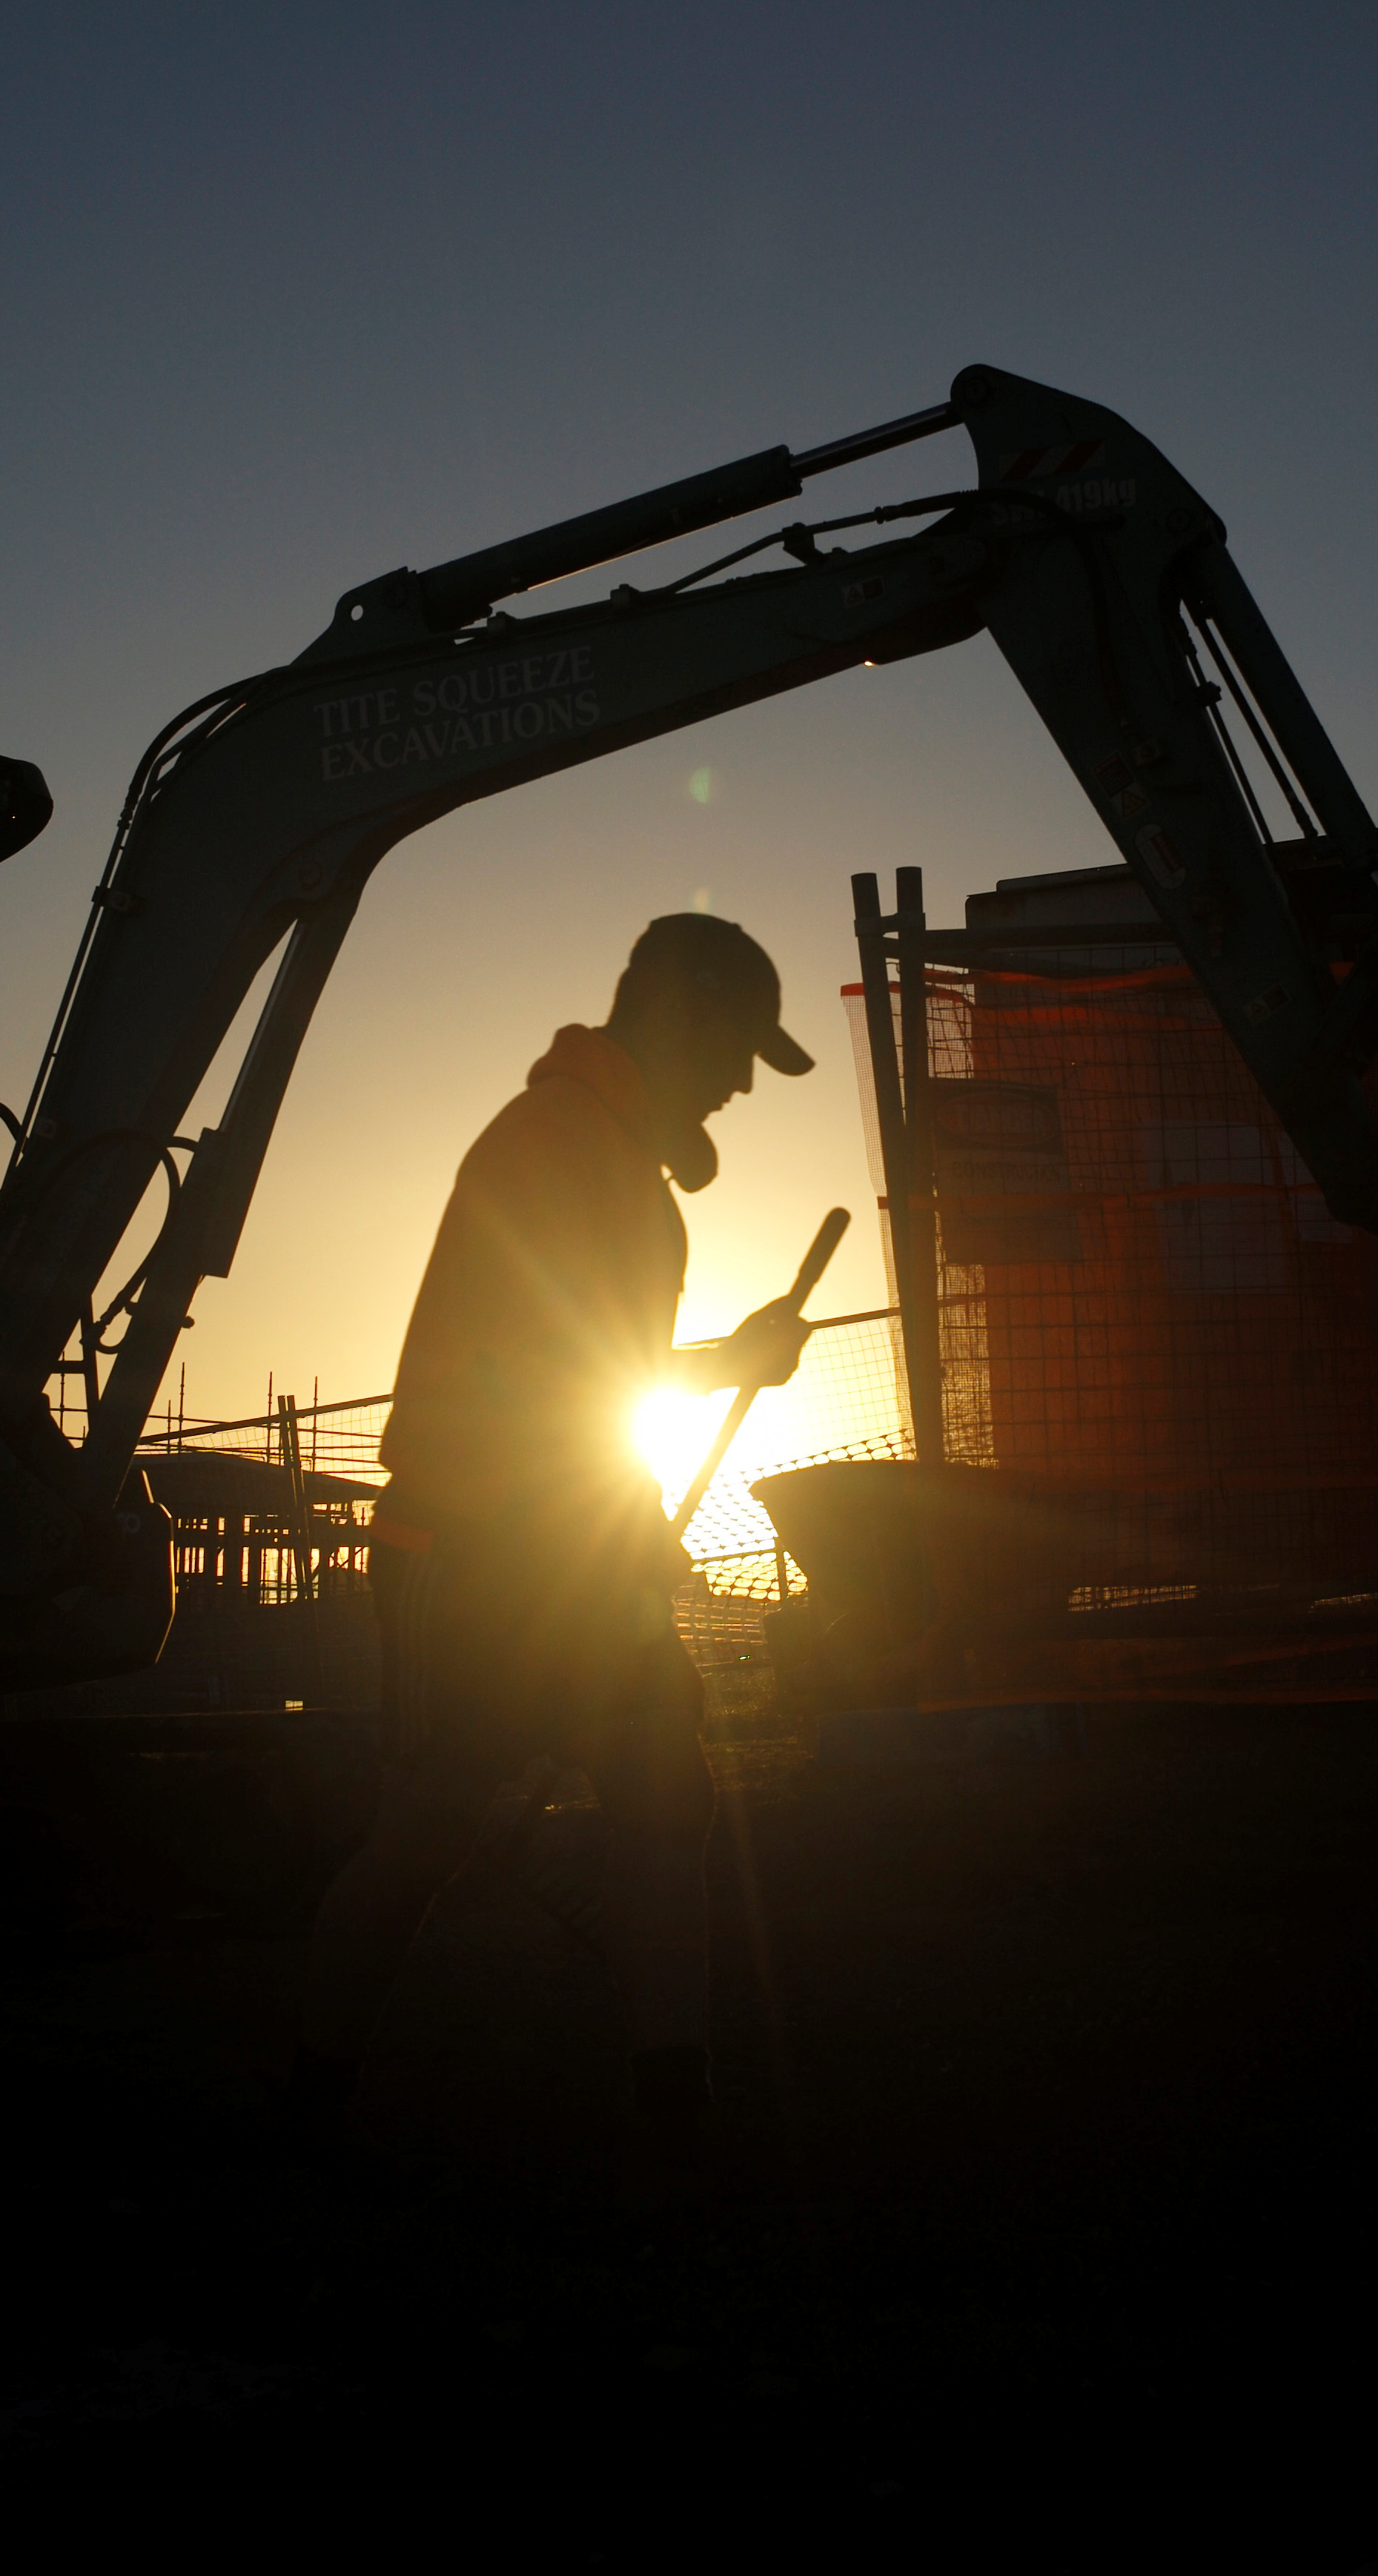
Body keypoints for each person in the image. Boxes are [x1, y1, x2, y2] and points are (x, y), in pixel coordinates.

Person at [287, 913, 818, 2195]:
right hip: (468, 1552)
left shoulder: (613, 1166)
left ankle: (673, 2099)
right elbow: (541, 1374)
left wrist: (628, 1526)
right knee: (423, 1833)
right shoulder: (550, 1151)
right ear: (678, 1020)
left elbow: (580, 1390)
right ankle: (303, 2097)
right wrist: (719, 1373)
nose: (745, 1084)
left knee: (666, 1805)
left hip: (569, 1556)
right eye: (738, 1050)